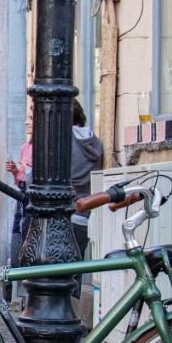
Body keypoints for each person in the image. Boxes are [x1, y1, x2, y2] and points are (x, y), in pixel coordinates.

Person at [70, 100, 105, 255]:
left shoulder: (65, 142)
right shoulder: (94, 141)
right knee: (76, 268)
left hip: (67, 214)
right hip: (86, 214)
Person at [7, 140, 33, 268]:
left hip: (34, 193)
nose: (26, 122)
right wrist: (15, 171)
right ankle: (16, 266)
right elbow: (20, 179)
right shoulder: (25, 146)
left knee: (27, 229)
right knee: (17, 227)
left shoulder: (43, 146)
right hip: (23, 191)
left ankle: (23, 267)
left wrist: (30, 170)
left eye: (30, 118)